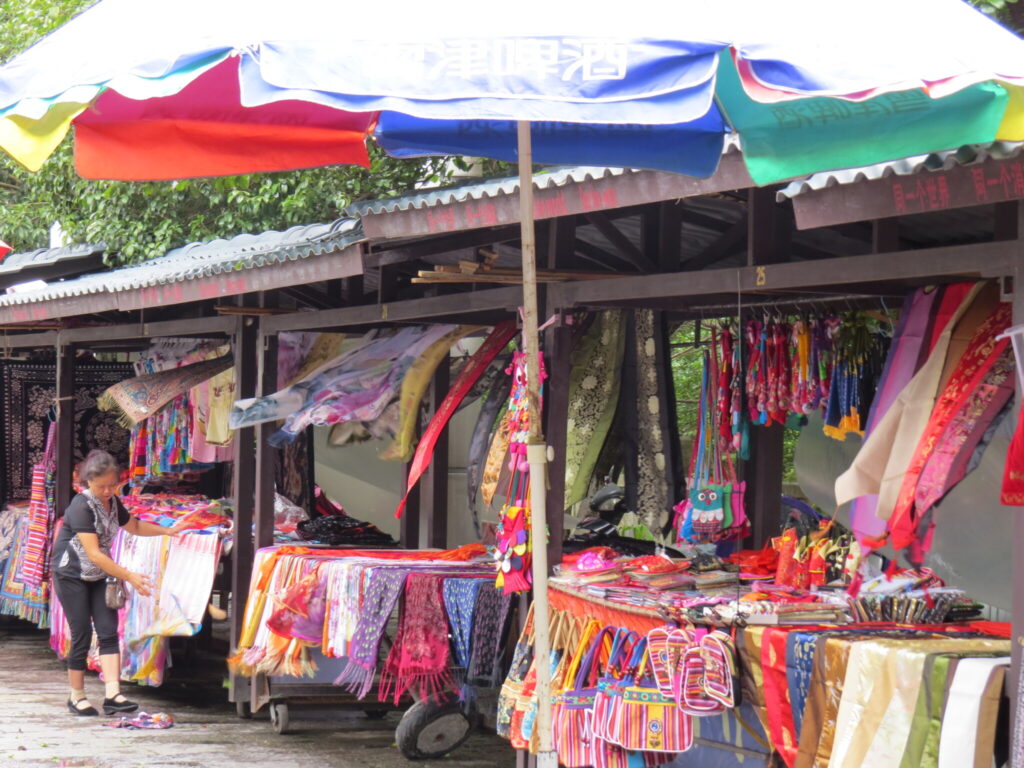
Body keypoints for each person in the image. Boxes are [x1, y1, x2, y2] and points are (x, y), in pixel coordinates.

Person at [51, 449, 183, 716]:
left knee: (108, 630)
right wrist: (130, 576)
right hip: (71, 574)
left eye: (113, 485)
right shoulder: (81, 506)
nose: (108, 490)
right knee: (82, 634)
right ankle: (77, 696)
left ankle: (113, 694)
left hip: (100, 573)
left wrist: (166, 530)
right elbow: (95, 553)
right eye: (102, 486)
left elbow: (134, 526)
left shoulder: (113, 502)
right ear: (89, 482)